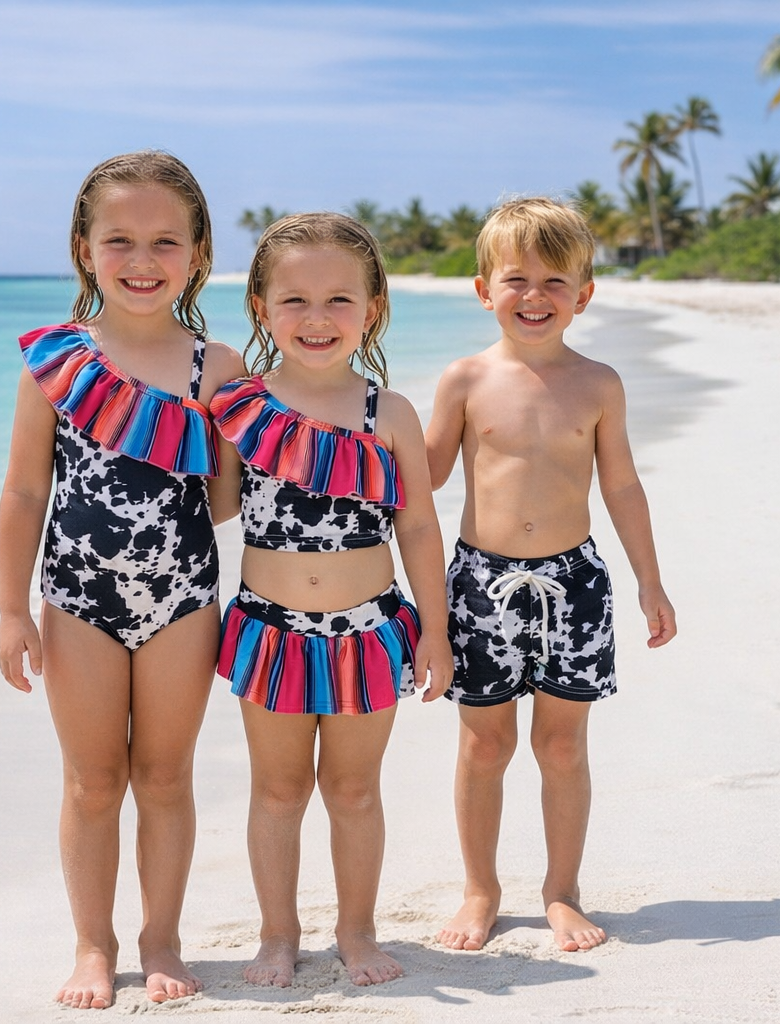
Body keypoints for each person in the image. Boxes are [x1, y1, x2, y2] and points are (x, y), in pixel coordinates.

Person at [0, 151, 244, 1010]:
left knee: (167, 777)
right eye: (122, 240)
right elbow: (27, 490)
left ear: (199, 252)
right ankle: (93, 945)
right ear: (84, 248)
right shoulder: (59, 363)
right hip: (75, 601)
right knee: (91, 782)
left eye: (166, 241)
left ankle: (160, 937)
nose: (144, 260)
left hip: (181, 600)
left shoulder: (218, 369)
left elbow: (219, 504)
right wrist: (9, 611)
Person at [425, 197, 676, 954]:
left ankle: (561, 892)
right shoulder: (465, 379)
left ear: (584, 294)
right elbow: (423, 477)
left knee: (562, 746)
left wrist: (650, 582)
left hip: (575, 584)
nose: (534, 297)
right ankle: (481, 889)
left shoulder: (598, 384)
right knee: (484, 746)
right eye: (516, 279)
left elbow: (623, 486)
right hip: (479, 583)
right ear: (483, 290)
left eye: (554, 281)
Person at [210, 212, 453, 988]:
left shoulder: (391, 414)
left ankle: (356, 931)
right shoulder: (241, 409)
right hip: (269, 630)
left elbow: (418, 527)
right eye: (295, 301)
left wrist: (437, 631)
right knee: (277, 791)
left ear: (373, 308)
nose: (317, 319)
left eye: (340, 300)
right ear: (259, 306)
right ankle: (277, 935)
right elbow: (209, 505)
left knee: (353, 790)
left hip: (370, 629)